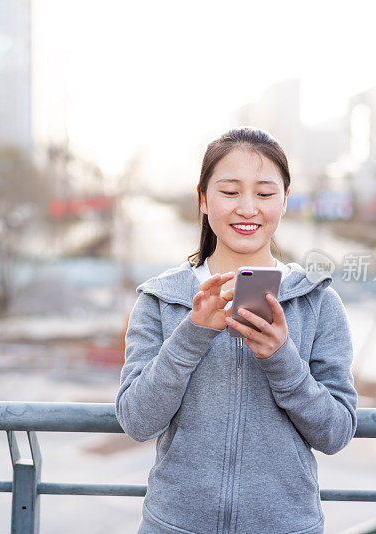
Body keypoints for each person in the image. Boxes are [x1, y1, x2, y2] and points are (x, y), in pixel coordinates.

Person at [116, 127, 357, 534]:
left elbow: (336, 432)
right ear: (204, 199)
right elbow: (137, 420)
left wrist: (282, 360)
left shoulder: (316, 302)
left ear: (284, 200)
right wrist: (191, 334)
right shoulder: (162, 298)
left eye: (264, 194)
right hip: (174, 525)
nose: (248, 208)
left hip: (287, 526)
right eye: (230, 192)